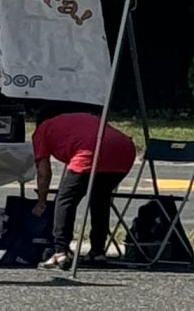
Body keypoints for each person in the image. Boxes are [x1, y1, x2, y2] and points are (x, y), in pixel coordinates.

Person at [32, 109, 137, 268]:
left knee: (65, 200)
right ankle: (97, 251)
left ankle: (60, 251)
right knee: (100, 198)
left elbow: (43, 173)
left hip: (90, 152)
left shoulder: (43, 128)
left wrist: (41, 201)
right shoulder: (80, 118)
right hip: (124, 150)